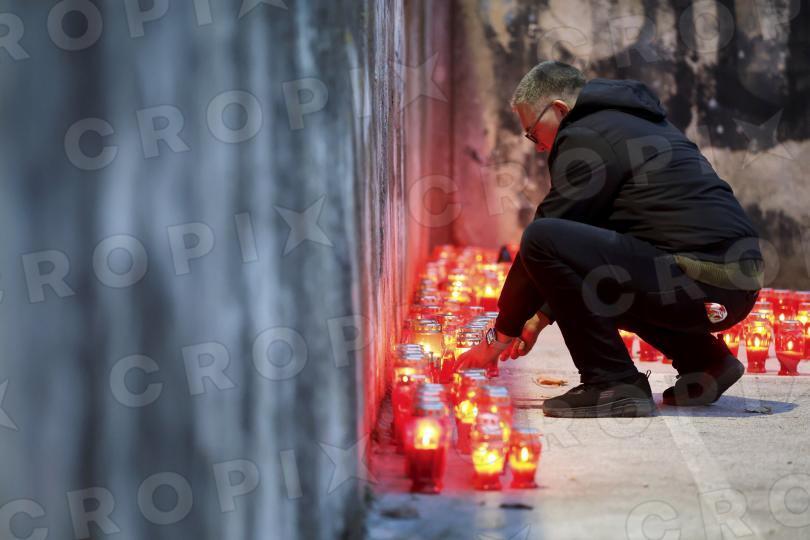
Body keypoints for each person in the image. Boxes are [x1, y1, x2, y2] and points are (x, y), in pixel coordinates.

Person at [457, 61, 763, 418]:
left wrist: (500, 335)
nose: (538, 147)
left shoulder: (584, 135)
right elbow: (594, 247)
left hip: (701, 278)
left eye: (533, 133)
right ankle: (704, 361)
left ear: (559, 110)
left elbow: (549, 235)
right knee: (596, 258)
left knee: (540, 237)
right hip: (729, 281)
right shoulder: (628, 123)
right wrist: (540, 316)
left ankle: (611, 381)